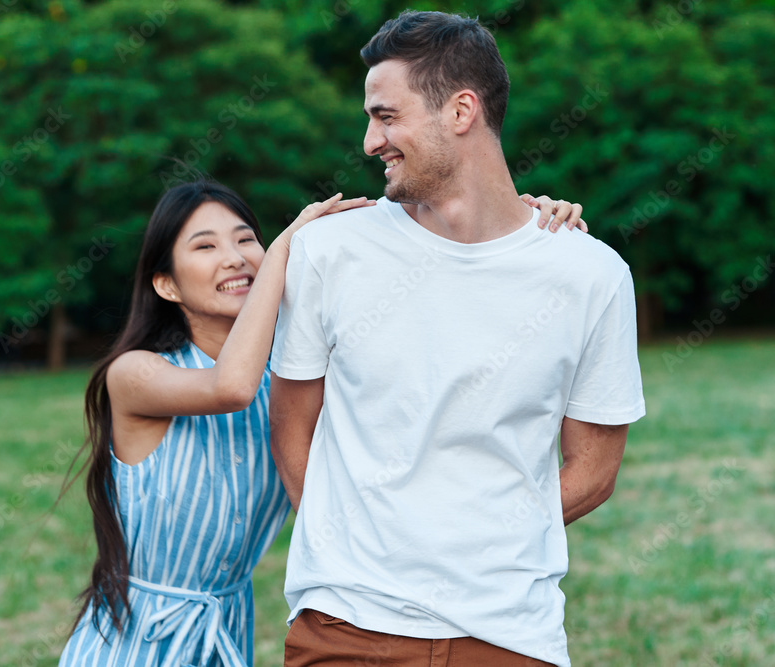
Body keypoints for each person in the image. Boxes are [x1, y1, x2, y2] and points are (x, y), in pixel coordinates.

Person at [56, 178, 584, 666]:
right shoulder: (135, 374)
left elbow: (420, 340)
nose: (236, 259)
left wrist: (516, 228)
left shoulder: (290, 379)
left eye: (246, 240)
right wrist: (287, 248)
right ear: (166, 286)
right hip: (132, 640)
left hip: (227, 635)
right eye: (205, 246)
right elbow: (229, 388)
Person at [269, 11, 645, 667]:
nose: (368, 141)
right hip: (347, 631)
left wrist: (483, 539)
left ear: (462, 110)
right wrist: (354, 548)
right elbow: (291, 430)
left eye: (386, 116)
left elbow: (594, 469)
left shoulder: (591, 274)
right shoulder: (329, 252)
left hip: (509, 637)